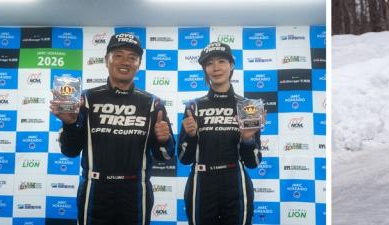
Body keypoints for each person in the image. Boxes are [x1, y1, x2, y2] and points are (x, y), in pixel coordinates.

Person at [52, 33, 175, 225]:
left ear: (139, 64)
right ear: (106, 60)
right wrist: (69, 125)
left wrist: (164, 140)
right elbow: (70, 151)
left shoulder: (153, 103)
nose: (125, 61)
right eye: (118, 55)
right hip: (96, 190)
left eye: (132, 57)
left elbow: (166, 156)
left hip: (135, 191)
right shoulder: (85, 99)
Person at [179, 42, 264, 225]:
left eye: (222, 61)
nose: (216, 68)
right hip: (202, 183)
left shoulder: (248, 106)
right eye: (210, 63)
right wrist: (192, 137)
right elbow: (184, 159)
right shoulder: (193, 106)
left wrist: (247, 139)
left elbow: (253, 163)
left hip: (235, 183)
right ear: (204, 68)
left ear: (231, 65)